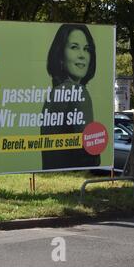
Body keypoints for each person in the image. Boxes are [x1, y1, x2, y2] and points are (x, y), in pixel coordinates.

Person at [41, 23, 99, 169]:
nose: (82, 55)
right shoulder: (77, 93)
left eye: (86, 49)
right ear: (60, 56)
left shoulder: (54, 94)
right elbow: (89, 153)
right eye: (74, 47)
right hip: (76, 181)